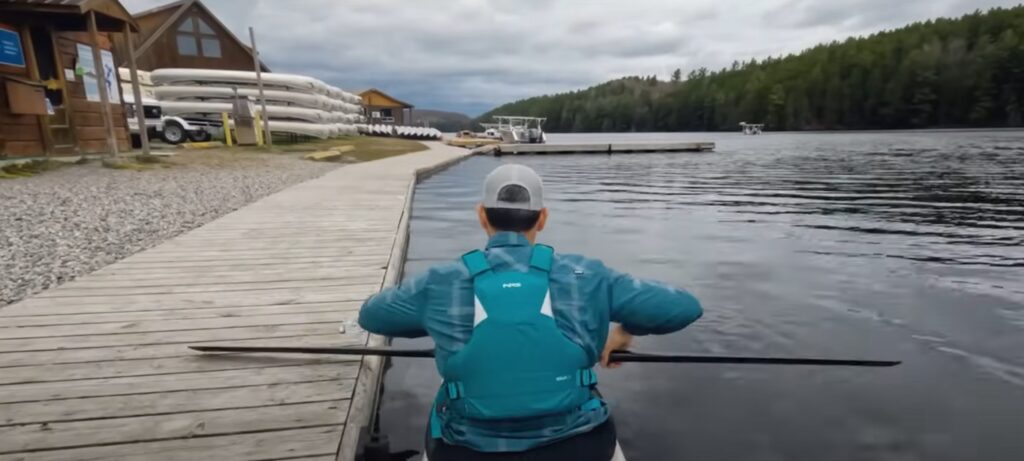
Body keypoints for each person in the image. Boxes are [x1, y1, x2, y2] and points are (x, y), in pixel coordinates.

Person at [358, 164, 703, 461]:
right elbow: (683, 308)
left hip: (467, 451)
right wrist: (626, 329)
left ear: (481, 216)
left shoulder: (440, 282)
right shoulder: (587, 275)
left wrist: (430, 321)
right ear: (543, 218)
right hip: (578, 449)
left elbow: (372, 316)